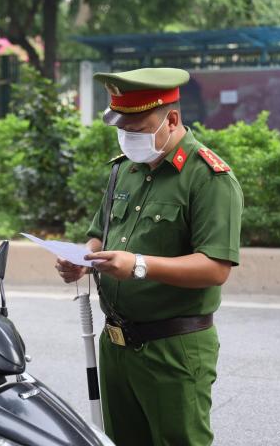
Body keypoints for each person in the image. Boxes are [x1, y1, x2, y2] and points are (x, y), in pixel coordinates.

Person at [56, 67, 243, 445]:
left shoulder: (208, 177)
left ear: (171, 119)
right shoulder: (123, 170)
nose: (127, 139)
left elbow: (215, 267)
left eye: (137, 130)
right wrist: (82, 257)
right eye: (122, 130)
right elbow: (99, 233)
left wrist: (139, 265)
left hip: (173, 348)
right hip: (117, 345)